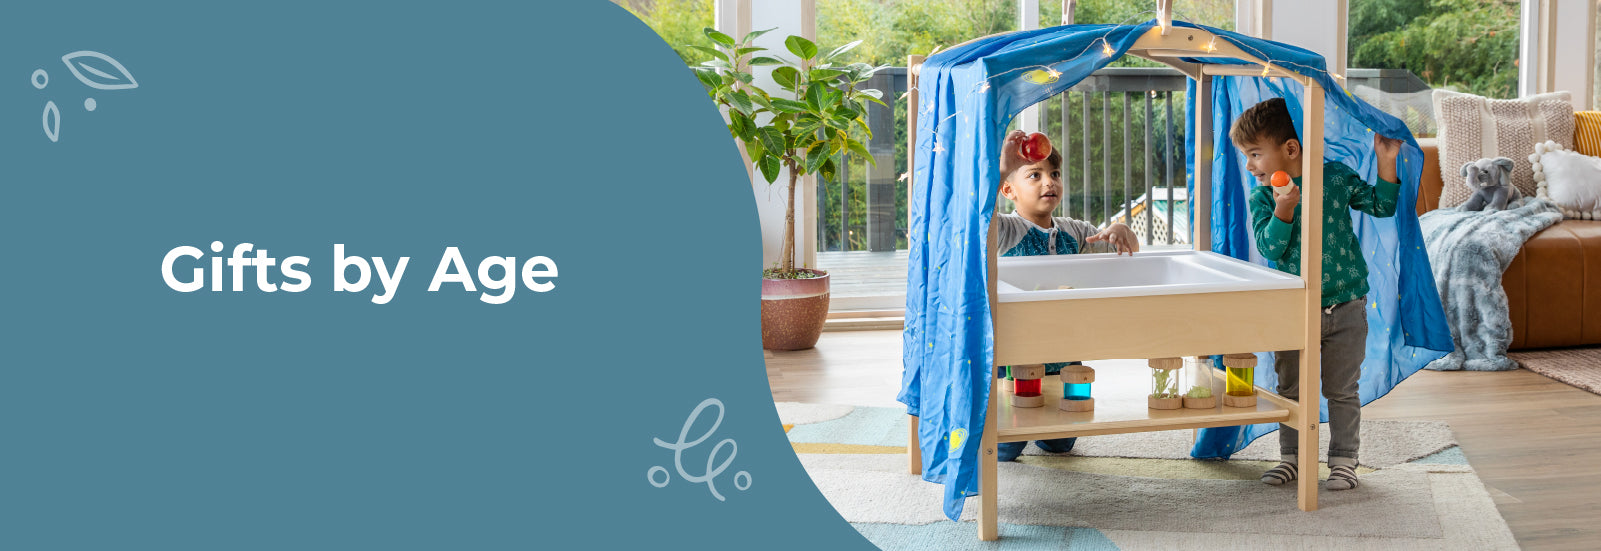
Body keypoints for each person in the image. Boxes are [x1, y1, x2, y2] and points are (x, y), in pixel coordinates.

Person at [1230, 97, 1402, 490]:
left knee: (1342, 390)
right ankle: (1291, 458)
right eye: (1246, 155)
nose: (1250, 165)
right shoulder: (1262, 198)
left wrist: (1386, 159)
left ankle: (1344, 461)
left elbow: (1382, 205)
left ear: (1290, 148)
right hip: (1294, 308)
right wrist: (1284, 209)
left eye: (1255, 154)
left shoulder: (1335, 178)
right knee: (1290, 388)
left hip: (1346, 306)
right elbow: (1271, 248)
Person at [993, 130, 1138, 462]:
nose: (1050, 182)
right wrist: (1003, 167)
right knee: (1006, 445)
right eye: (1035, 174)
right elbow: (975, 215)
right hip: (1016, 353)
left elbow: (1128, 257)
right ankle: (1011, 430)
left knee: (1063, 442)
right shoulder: (1005, 230)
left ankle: (1052, 431)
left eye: (1054, 174)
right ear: (1008, 190)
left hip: (1065, 352)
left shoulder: (1076, 231)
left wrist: (1123, 232)